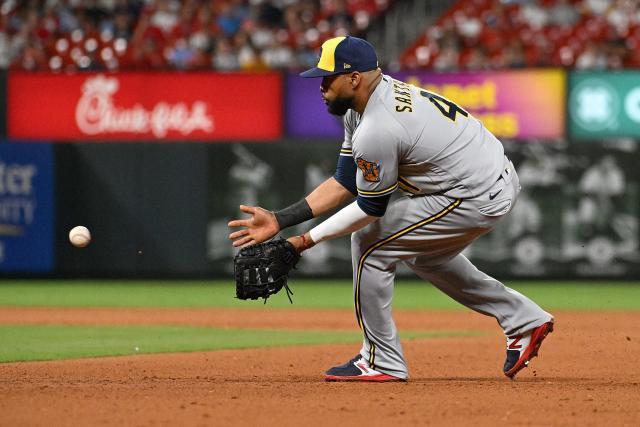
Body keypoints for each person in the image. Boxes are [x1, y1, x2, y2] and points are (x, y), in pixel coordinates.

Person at [228, 36, 554, 382]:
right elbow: (345, 181)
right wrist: (282, 220)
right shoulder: (365, 105)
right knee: (426, 257)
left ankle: (381, 359)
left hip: (476, 192)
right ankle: (524, 320)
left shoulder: (378, 127)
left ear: (354, 78)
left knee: (369, 242)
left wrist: (303, 242)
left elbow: (370, 208)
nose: (320, 86)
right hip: (486, 181)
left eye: (328, 77)